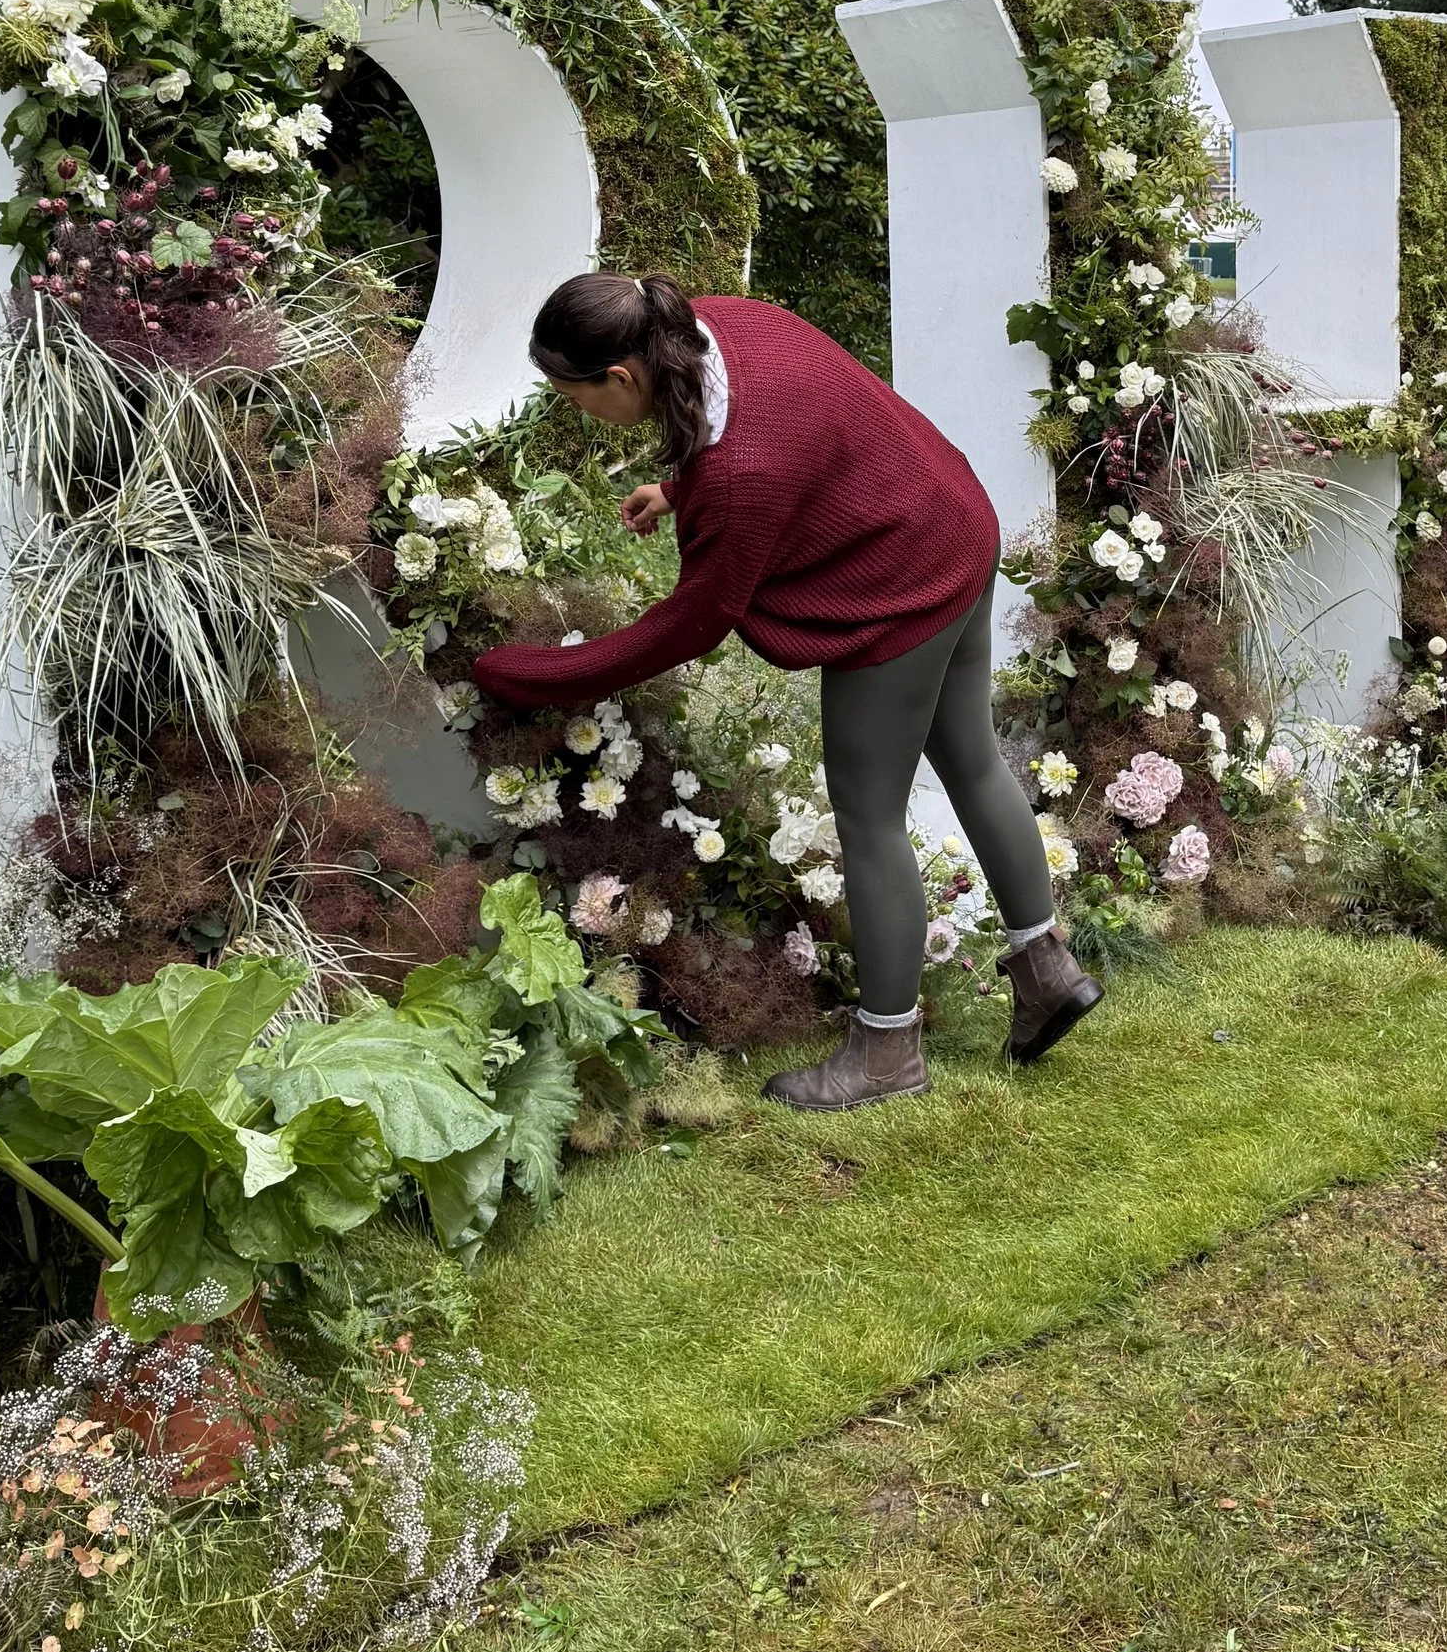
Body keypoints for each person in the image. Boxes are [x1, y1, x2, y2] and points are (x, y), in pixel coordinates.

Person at [471, 272, 1103, 1108]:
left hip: (900, 582)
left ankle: (887, 1053)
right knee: (971, 756)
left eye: (575, 399)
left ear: (621, 378)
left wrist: (529, 672)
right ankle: (1047, 967)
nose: (579, 415)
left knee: (869, 817)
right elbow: (797, 430)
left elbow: (690, 623)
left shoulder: (738, 477)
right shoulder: (725, 324)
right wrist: (679, 488)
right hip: (952, 519)